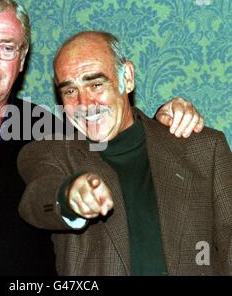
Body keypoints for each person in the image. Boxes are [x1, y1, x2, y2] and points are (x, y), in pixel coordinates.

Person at [0, 0, 204, 276]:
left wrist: (163, 119)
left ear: (22, 59)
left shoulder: (45, 125)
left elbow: (112, 137)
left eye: (7, 48)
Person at [17, 31, 232, 276]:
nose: (84, 104)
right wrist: (68, 197)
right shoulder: (52, 154)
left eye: (96, 84)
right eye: (70, 91)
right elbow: (36, 199)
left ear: (127, 78)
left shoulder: (203, 149)